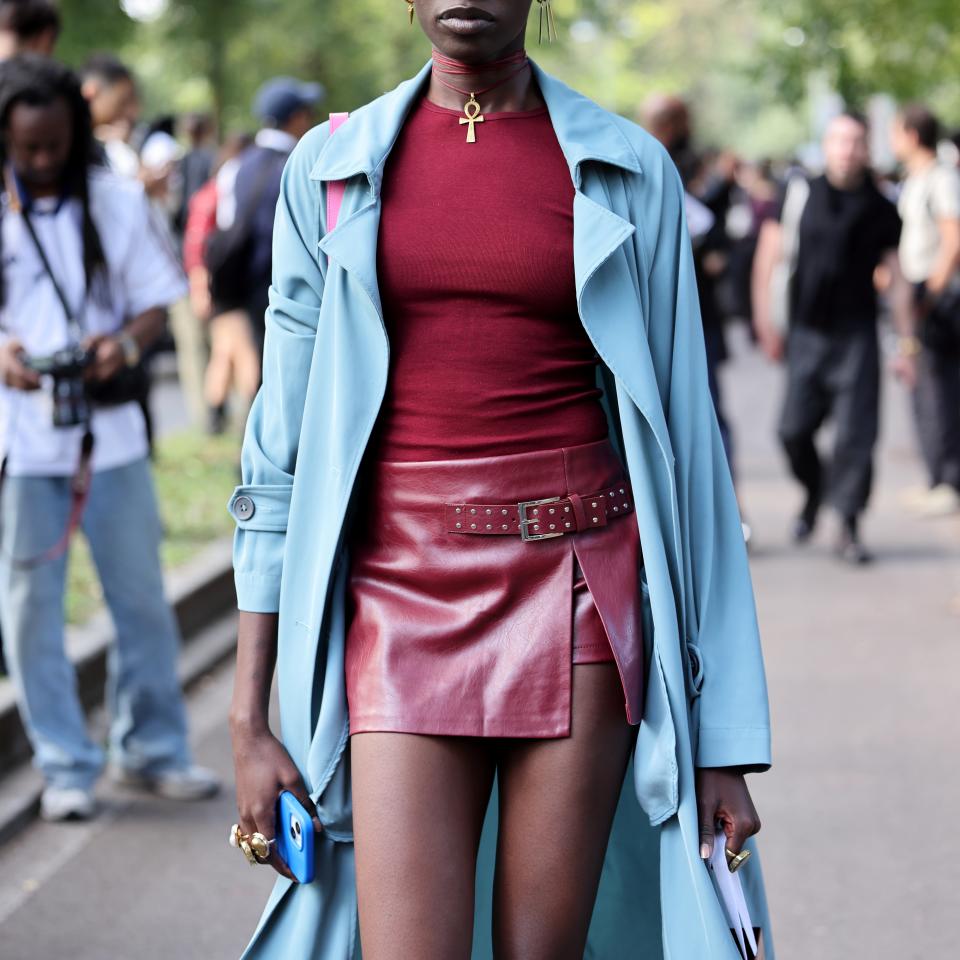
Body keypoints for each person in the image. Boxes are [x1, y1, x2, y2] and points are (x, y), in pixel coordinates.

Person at [227, 3, 772, 958]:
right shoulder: (328, 172)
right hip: (395, 598)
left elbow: (688, 452)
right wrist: (248, 716)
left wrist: (722, 736)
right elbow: (278, 456)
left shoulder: (630, 168)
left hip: (575, 593)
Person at [0, 55, 219, 822]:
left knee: (142, 602)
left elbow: (158, 306)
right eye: (26, 149)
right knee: (30, 610)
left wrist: (120, 349)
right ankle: (64, 765)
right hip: (22, 445)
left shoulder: (114, 199)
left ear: (75, 133)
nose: (43, 161)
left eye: (55, 145)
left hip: (110, 437)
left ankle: (152, 748)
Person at [753, 112, 914, 564]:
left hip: (857, 335)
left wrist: (907, 344)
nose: (847, 149)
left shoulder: (882, 207)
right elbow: (769, 258)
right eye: (839, 140)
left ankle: (847, 523)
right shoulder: (798, 192)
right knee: (791, 431)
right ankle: (815, 490)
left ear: (868, 148)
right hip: (805, 331)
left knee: (856, 436)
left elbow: (897, 279)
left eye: (856, 141)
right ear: (825, 145)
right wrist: (765, 323)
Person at [217, 76, 322, 356]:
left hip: (248, 286)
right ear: (296, 117)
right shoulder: (297, 163)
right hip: (290, 293)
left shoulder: (240, 163)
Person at [891, 104, 960, 517]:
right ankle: (936, 474)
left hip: (938, 300)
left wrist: (929, 294)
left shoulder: (942, 178)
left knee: (943, 390)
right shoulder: (915, 179)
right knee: (924, 390)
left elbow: (953, 239)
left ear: (912, 135)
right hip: (917, 294)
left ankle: (950, 478)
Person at [183, 134, 260, 433]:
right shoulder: (221, 190)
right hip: (224, 287)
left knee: (225, 351)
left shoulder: (218, 187)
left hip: (222, 284)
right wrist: (201, 286)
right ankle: (248, 419)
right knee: (242, 351)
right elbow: (197, 243)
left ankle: (216, 420)